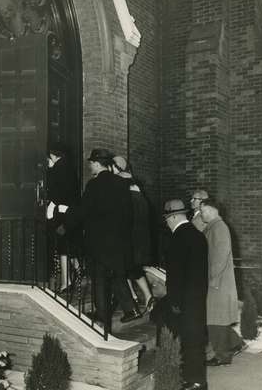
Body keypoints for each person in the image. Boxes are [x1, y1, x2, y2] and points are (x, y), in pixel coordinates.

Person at [63, 148, 142, 324]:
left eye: (91, 163)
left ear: (97, 164)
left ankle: (102, 314)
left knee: (98, 277)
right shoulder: (121, 184)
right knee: (117, 275)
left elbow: (83, 211)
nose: (90, 166)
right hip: (119, 240)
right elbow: (129, 213)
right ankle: (132, 309)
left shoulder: (94, 184)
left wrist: (65, 223)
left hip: (98, 240)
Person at [162, 199, 208, 390]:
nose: (166, 223)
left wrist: (174, 300)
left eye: (166, 219)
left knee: (187, 340)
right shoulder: (198, 235)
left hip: (184, 300)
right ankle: (198, 380)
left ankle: (193, 381)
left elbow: (175, 275)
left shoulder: (177, 238)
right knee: (195, 339)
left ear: (173, 217)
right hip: (198, 297)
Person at [200, 198, 243, 366]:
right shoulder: (214, 227)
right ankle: (235, 342)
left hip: (217, 282)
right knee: (218, 318)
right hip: (217, 281)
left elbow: (221, 255)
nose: (201, 213)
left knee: (215, 320)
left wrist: (213, 280)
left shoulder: (219, 228)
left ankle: (222, 356)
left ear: (210, 210)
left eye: (203, 210)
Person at [111, 155, 155, 313]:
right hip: (138, 235)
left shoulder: (120, 182)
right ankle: (147, 297)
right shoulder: (134, 183)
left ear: (116, 167)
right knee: (132, 268)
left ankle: (137, 298)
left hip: (129, 234)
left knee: (125, 268)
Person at [46, 143, 80, 293]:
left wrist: (51, 205)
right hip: (70, 212)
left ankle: (66, 281)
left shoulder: (57, 169)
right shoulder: (69, 168)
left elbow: (55, 193)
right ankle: (78, 270)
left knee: (63, 246)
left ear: (53, 155)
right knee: (69, 243)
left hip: (61, 212)